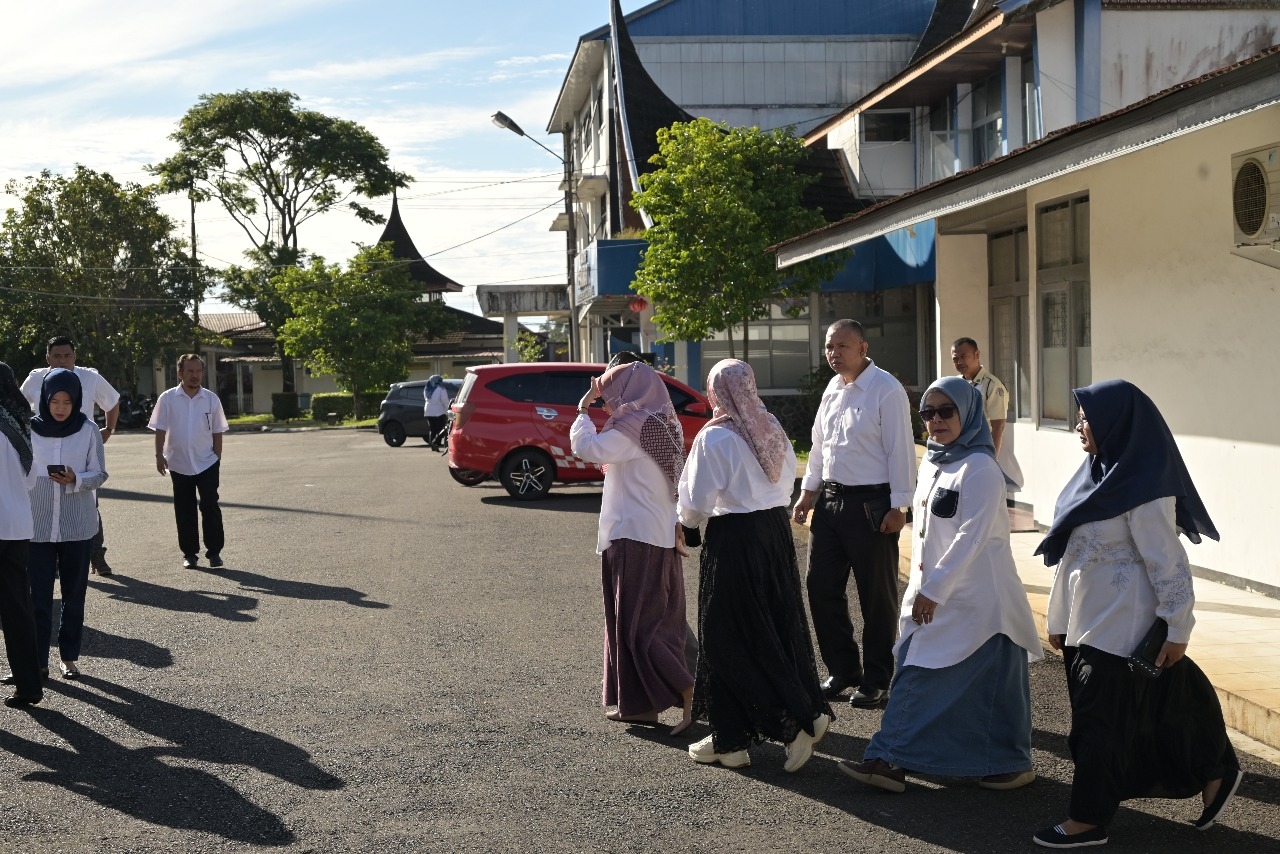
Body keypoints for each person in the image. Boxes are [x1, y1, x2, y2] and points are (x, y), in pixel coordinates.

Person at [1032, 380, 1238, 849]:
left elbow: (1168, 562)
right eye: (1079, 418)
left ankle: (1088, 820)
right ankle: (1216, 771)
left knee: (1098, 725)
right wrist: (1059, 619)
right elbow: (1076, 556)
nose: (1080, 427)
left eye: (1087, 419)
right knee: (1166, 704)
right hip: (1088, 621)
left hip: (1121, 624)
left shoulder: (1143, 489)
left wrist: (1179, 626)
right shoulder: (1095, 474)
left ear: (1117, 424)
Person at [839, 376, 1041, 793]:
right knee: (985, 686)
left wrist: (934, 591)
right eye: (928, 413)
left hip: (980, 600)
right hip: (940, 594)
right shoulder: (935, 461)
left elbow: (972, 536)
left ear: (968, 413)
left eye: (946, 411)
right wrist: (925, 588)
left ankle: (887, 758)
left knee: (930, 676)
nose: (936, 421)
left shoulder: (981, 467)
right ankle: (1007, 762)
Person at [678, 359, 832, 772]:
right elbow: (785, 481)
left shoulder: (715, 437)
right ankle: (729, 739)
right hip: (775, 534)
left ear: (716, 392)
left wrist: (687, 525)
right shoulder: (770, 425)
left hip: (736, 539)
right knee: (772, 626)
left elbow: (695, 500)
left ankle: (796, 721)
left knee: (724, 638)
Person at [792, 319, 916, 708]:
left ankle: (877, 678)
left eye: (842, 346)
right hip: (830, 503)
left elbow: (900, 449)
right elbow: (819, 446)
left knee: (876, 596)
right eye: (829, 346)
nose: (834, 353)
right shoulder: (833, 388)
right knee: (821, 587)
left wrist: (900, 506)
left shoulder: (886, 389)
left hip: (871, 505)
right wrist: (807, 492)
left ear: (863, 348)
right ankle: (844, 669)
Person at [569, 360, 694, 734]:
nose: (606, 401)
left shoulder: (634, 425)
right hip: (653, 532)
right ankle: (640, 706)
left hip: (634, 536)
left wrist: (582, 408)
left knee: (640, 626)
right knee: (647, 621)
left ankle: (690, 691)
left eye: (610, 392)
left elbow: (588, 448)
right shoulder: (660, 421)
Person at [26, 369, 107, 681]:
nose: (60, 408)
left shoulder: (88, 430)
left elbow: (99, 473)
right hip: (37, 526)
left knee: (74, 595)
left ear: (77, 401)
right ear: (45, 399)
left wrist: (76, 478)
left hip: (77, 526)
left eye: (67, 402)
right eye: (55, 401)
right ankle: (37, 661)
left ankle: (68, 658)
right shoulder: (28, 429)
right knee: (38, 597)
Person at [21, 335, 121, 576]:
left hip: (79, 454)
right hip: (44, 455)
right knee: (43, 508)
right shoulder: (35, 379)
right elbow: (19, 406)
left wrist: (108, 430)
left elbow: (112, 401)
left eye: (67, 356)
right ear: (47, 358)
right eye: (57, 356)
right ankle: (52, 560)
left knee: (88, 506)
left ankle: (96, 555)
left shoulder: (90, 378)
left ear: (75, 356)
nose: (63, 361)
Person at [149, 355, 230, 570]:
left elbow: (218, 431)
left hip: (207, 462)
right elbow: (160, 428)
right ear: (180, 373)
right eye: (190, 371)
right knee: (185, 509)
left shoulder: (211, 399)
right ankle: (190, 554)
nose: (195, 376)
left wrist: (217, 458)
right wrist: (159, 455)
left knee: (210, 505)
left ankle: (214, 552)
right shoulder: (168, 398)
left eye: (198, 371)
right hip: (179, 463)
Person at [0, 363, 44, 707]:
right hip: (15, 527)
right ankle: (29, 685)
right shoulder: (19, 426)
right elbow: (31, 479)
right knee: (17, 608)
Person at [951, 337, 1023, 490]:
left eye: (964, 356)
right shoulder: (957, 384)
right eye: (955, 358)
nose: (959, 362)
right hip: (959, 451)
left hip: (980, 451)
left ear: (977, 354)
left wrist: (991, 459)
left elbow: (998, 426)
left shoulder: (992, 385)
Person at [422, 375, 450, 452]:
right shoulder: (441, 388)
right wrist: (448, 408)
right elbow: (445, 400)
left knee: (432, 429)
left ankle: (432, 444)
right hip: (439, 411)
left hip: (428, 411)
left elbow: (426, 399)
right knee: (441, 429)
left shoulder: (427, 388)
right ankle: (435, 442)